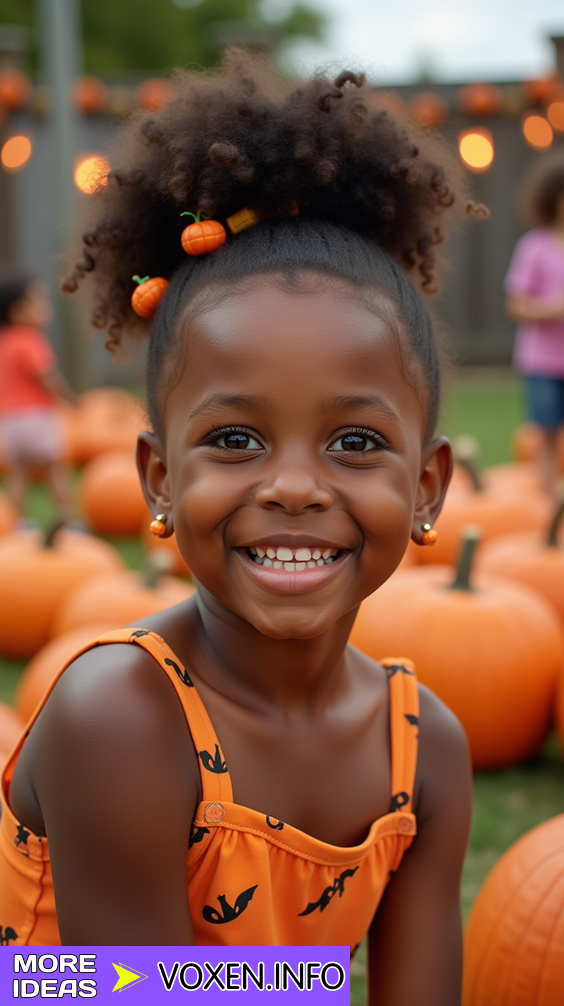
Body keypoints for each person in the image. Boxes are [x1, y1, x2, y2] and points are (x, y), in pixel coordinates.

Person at [0, 54, 477, 1004]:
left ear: (427, 488)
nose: (294, 487)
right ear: (159, 478)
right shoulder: (121, 723)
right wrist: (305, 981)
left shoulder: (427, 749)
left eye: (352, 440)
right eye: (235, 437)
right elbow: (121, 992)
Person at [505, 155, 564, 495]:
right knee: (545, 431)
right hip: (542, 361)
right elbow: (516, 305)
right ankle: (547, 496)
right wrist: (554, 308)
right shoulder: (534, 247)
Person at [0, 270, 76, 521]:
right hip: (35, 416)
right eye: (40, 303)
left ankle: (17, 521)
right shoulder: (30, 340)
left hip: (8, 421)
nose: (47, 308)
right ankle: (66, 516)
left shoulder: (4, 342)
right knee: (54, 468)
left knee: (18, 473)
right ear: (18, 311)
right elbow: (46, 376)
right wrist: (69, 399)